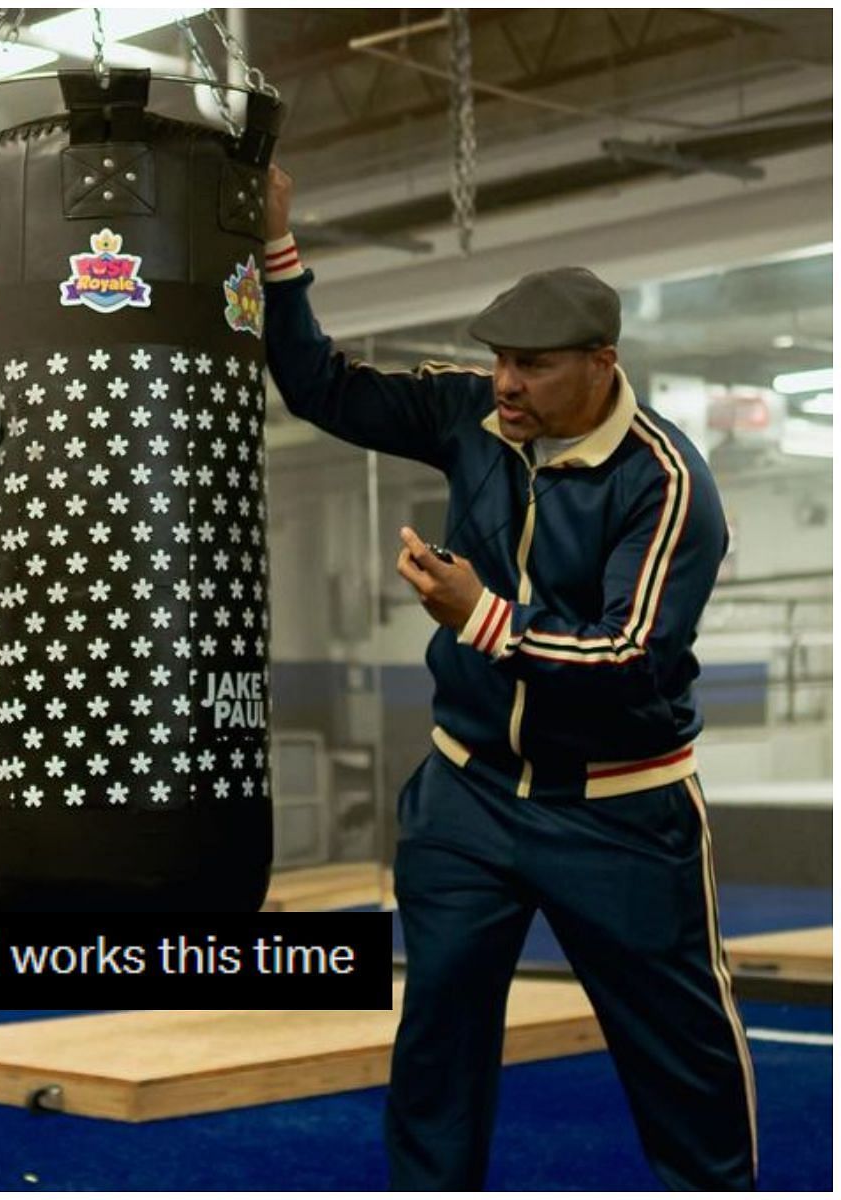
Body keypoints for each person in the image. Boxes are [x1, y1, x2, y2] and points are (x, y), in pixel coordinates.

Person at [259, 165, 755, 1190]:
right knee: (436, 1037)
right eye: (497, 361)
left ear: (600, 363)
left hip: (618, 814)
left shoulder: (665, 483)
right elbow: (325, 388)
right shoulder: (471, 418)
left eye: (530, 365)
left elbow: (628, 657)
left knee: (684, 1059)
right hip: (466, 798)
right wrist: (278, 252)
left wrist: (479, 616)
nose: (505, 384)